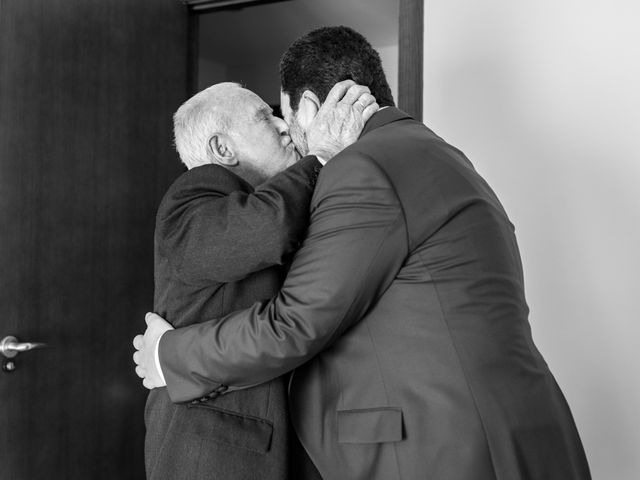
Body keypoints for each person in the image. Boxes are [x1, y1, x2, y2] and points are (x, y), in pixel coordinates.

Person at [134, 26, 592, 480]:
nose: (286, 130)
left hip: (454, 446)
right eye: (264, 118)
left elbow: (296, 323)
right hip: (494, 432)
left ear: (311, 108)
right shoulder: (437, 153)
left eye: (285, 115)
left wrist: (168, 356)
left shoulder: (364, 167)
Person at [142, 80, 377, 480]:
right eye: (264, 117)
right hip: (208, 455)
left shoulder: (283, 203)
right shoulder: (193, 196)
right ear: (222, 149)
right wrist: (321, 154)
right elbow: (266, 229)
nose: (284, 125)